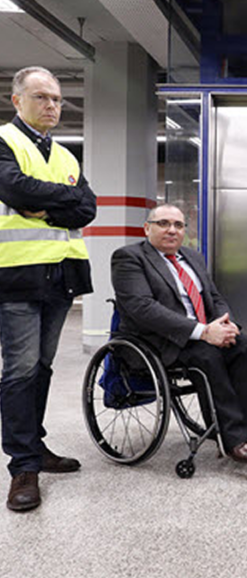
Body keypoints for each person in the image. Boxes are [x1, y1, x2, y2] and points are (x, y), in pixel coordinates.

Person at [111, 204, 247, 465]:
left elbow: (214, 298)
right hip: (157, 341)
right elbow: (143, 309)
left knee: (244, 346)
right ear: (147, 228)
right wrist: (203, 332)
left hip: (204, 331)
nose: (172, 230)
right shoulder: (129, 258)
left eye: (179, 225)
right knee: (207, 356)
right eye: (164, 223)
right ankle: (232, 440)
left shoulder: (192, 257)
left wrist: (224, 323)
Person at [0, 66, 96, 512]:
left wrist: (50, 206)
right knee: (19, 371)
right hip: (17, 276)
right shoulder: (5, 142)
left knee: (41, 368)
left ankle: (35, 447)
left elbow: (88, 207)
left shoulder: (65, 155)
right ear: (17, 100)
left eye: (56, 99)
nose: (52, 106)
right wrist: (63, 200)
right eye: (41, 97)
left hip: (60, 277)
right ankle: (23, 467)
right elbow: (15, 190)